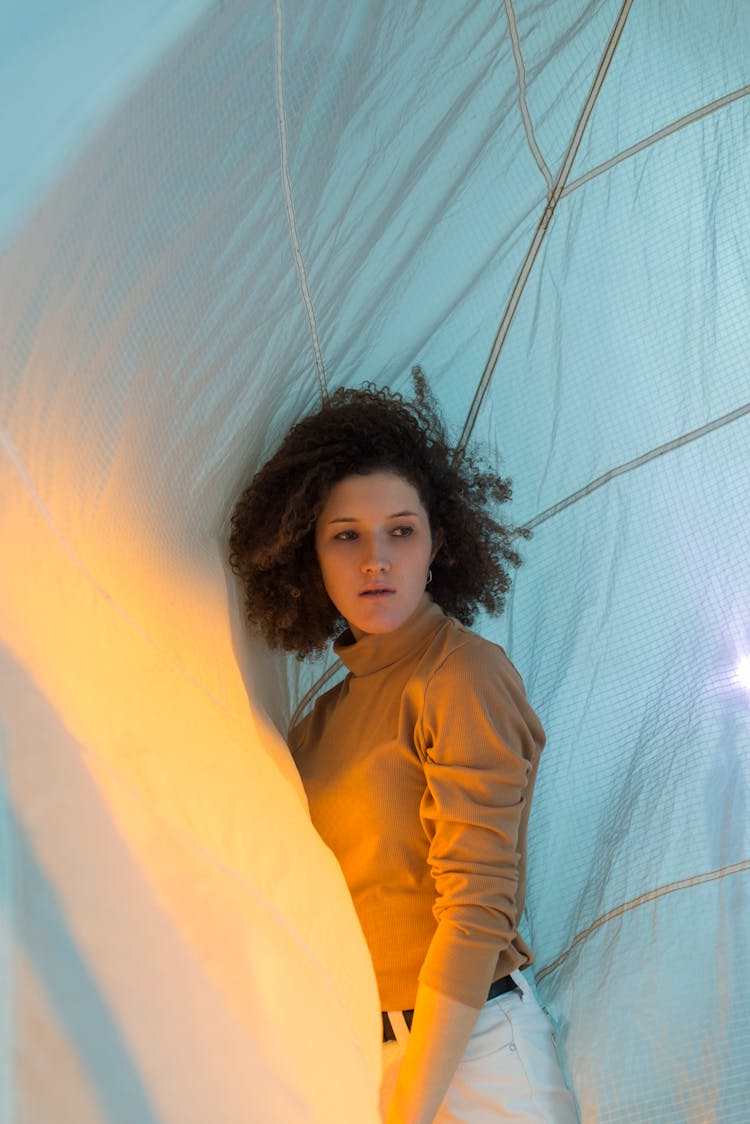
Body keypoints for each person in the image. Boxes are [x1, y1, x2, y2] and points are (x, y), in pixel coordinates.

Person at [229, 376, 577, 1123]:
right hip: (364, 1059)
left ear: (438, 542)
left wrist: (410, 1108)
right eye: (345, 535)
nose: (374, 560)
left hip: (478, 1056)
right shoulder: (315, 725)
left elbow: (477, 907)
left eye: (400, 530)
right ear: (309, 554)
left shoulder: (461, 674)